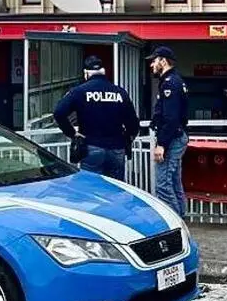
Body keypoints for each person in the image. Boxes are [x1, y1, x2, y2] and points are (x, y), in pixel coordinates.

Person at [53, 55, 140, 181]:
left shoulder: (79, 91)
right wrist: (128, 137)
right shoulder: (120, 92)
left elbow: (59, 113)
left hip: (91, 146)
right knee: (115, 190)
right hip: (116, 148)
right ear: (103, 72)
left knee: (92, 189)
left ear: (86, 73)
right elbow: (133, 122)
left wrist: (72, 134)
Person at [146, 46, 190, 218]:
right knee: (174, 182)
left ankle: (173, 222)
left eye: (154, 61)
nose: (152, 65)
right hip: (177, 137)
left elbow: (170, 118)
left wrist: (161, 144)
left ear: (163, 61)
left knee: (163, 185)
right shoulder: (177, 81)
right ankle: (182, 218)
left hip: (171, 139)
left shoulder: (169, 83)